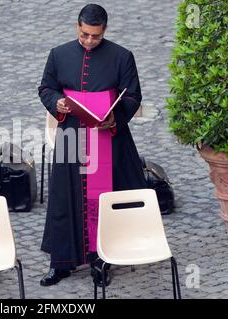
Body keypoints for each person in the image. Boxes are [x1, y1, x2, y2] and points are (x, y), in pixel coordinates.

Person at [38, 4, 147, 287]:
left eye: (95, 36)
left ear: (104, 31)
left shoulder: (122, 56)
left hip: (107, 137)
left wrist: (115, 117)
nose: (89, 41)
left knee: (105, 199)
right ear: (77, 27)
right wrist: (56, 103)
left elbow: (133, 96)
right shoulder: (58, 54)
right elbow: (46, 88)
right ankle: (61, 262)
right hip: (71, 135)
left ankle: (102, 259)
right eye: (84, 34)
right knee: (65, 197)